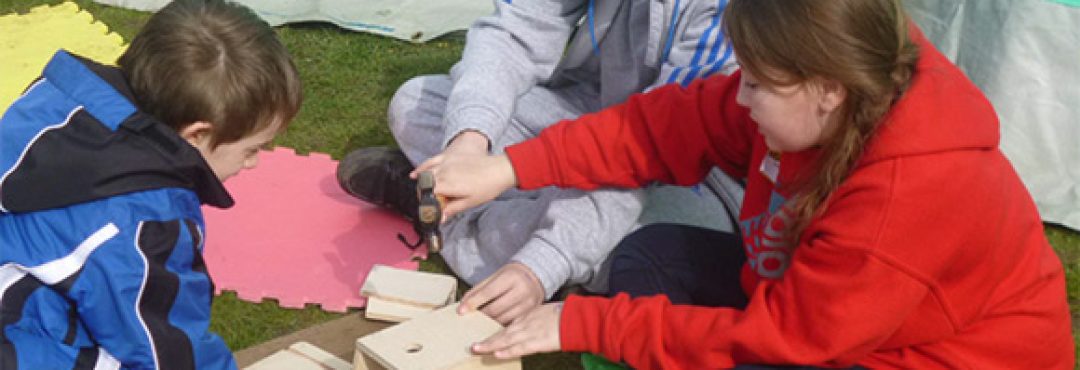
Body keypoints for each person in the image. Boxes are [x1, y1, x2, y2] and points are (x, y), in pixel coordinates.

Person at [412, 0, 1076, 368]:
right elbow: (656, 128)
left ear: (826, 91)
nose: (743, 95)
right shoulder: (819, 94)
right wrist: (507, 167)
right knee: (648, 255)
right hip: (816, 306)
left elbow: (787, 341)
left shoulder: (905, 201)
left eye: (757, 83)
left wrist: (587, 322)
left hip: (923, 357)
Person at [337, 0, 744, 324]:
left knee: (658, 250)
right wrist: (470, 142)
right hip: (582, 116)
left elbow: (649, 145)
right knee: (418, 103)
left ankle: (442, 213)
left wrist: (540, 265)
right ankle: (558, 253)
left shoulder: (728, 12)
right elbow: (515, 31)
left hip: (691, 177)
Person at [0, 0, 302, 368]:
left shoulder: (60, 108)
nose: (254, 162)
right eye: (252, 149)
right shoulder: (144, 223)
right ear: (196, 135)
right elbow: (166, 349)